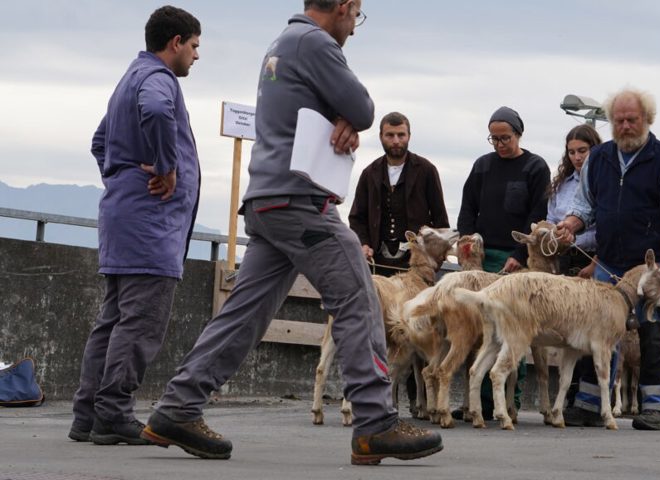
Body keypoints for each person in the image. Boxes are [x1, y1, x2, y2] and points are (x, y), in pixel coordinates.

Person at [140, 0, 443, 465]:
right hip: (299, 201)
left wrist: (338, 120)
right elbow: (363, 107)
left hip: (268, 198)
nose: (354, 29)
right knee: (359, 295)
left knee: (244, 314)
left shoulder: (282, 43)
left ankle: (178, 407)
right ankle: (375, 422)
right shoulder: (315, 43)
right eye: (355, 16)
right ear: (343, 6)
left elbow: (329, 115)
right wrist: (349, 118)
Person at [68, 5, 202, 446]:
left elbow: (99, 142)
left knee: (112, 320)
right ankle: (114, 412)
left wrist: (121, 178)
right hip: (151, 225)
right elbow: (159, 113)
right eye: (195, 46)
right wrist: (166, 168)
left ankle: (87, 415)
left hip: (123, 218)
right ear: (175, 43)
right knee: (140, 322)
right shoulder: (158, 80)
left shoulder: (129, 77)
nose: (196, 57)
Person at [556, 87, 660, 431]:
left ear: (647, 119)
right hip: (611, 264)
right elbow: (585, 206)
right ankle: (589, 403)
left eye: (632, 119)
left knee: (653, 331)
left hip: (652, 265)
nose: (625, 126)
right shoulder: (599, 158)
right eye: (618, 120)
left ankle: (656, 406)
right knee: (597, 332)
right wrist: (570, 226)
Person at [456, 106, 550, 418]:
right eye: (493, 139)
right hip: (482, 257)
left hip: (514, 260)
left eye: (504, 138)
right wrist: (468, 240)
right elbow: (468, 205)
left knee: (510, 331)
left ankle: (509, 399)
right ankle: (477, 402)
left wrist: (519, 255)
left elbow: (536, 216)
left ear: (518, 134)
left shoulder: (535, 168)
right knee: (480, 330)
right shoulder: (483, 166)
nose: (499, 144)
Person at [349, 111, 450, 276]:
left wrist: (435, 257)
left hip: (416, 261)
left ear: (409, 136)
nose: (396, 140)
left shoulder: (426, 170)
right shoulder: (369, 173)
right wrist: (364, 244)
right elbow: (357, 217)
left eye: (401, 135)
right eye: (390, 135)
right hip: (377, 262)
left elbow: (440, 218)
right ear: (381, 136)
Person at [547, 124, 601, 279]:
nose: (577, 157)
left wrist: (595, 264)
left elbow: (609, 229)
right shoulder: (561, 184)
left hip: (592, 259)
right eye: (571, 152)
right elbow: (551, 219)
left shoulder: (605, 183)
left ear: (595, 149)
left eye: (582, 151)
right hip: (561, 258)